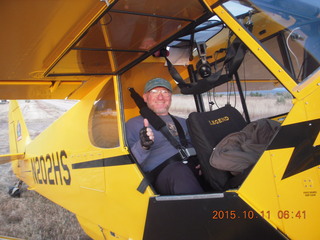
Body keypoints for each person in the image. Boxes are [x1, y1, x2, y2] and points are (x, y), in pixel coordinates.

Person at [126, 78, 204, 195]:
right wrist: (143, 145)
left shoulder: (184, 121)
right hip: (164, 174)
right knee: (179, 172)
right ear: (145, 98)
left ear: (170, 97)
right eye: (154, 92)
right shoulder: (132, 125)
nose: (160, 97)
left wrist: (204, 161)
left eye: (165, 92)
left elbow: (199, 145)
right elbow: (129, 163)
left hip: (192, 168)